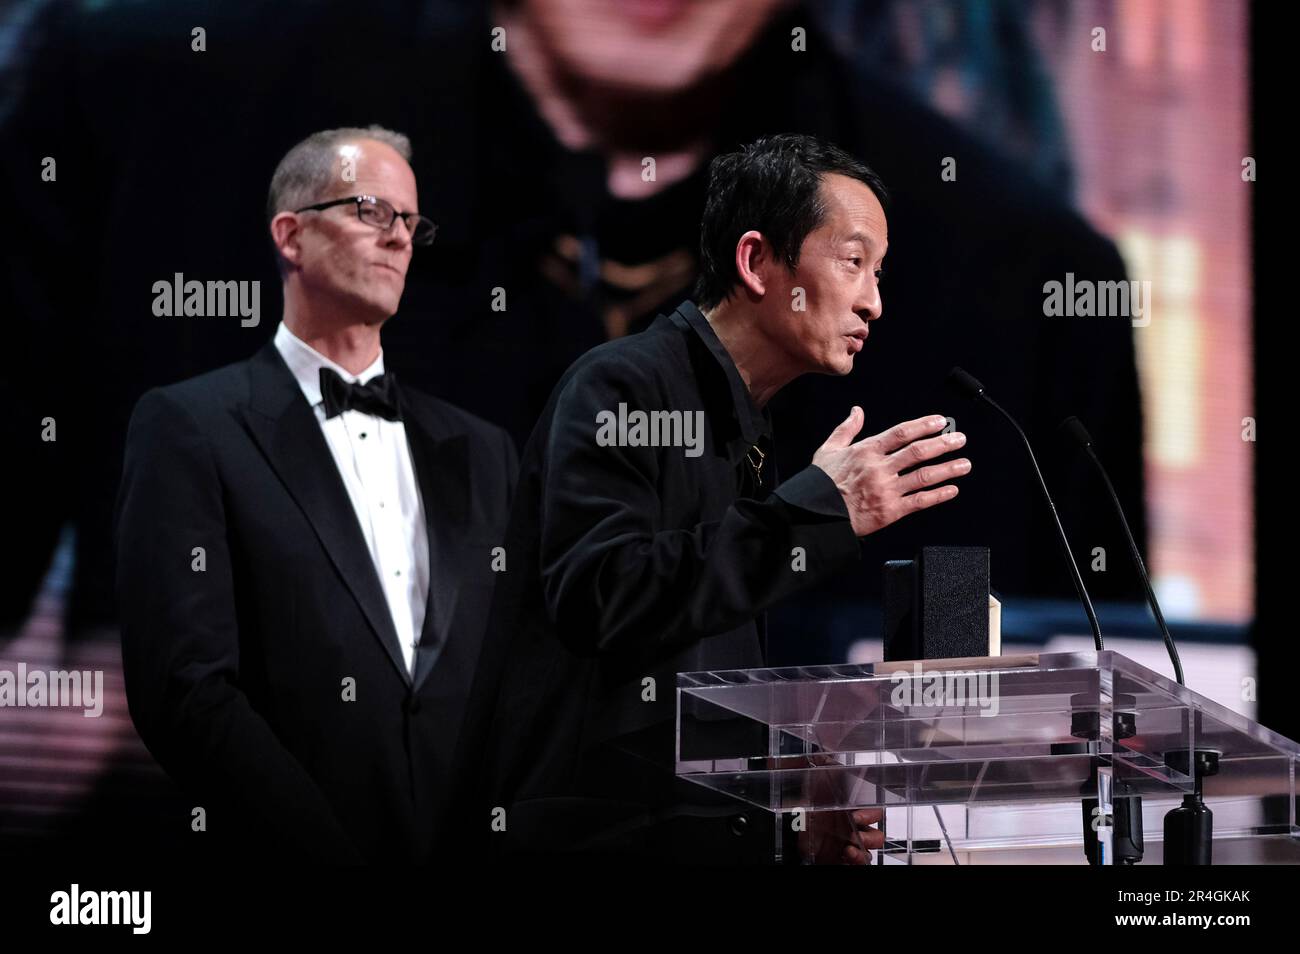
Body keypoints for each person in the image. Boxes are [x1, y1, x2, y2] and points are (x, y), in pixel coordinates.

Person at [459, 134, 972, 863]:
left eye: (880, 273)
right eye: (854, 262)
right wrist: (819, 511)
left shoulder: (740, 428)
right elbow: (608, 595)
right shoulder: (626, 387)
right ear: (756, 261)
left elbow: (693, 682)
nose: (875, 303)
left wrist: (793, 808)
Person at [115, 127, 518, 863]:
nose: (399, 239)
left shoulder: (483, 451)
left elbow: (511, 681)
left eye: (410, 222)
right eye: (370, 210)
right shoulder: (189, 427)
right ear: (291, 236)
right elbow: (187, 693)